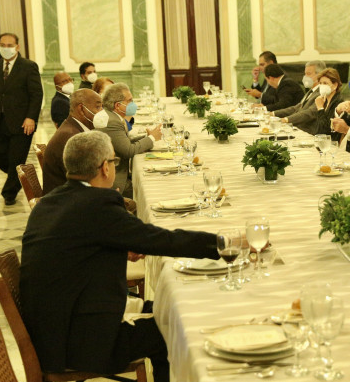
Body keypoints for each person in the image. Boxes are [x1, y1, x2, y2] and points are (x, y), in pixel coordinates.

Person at [21, 131, 222, 381]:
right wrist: (222, 244)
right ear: (105, 168)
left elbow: (75, 250)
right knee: (175, 329)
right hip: (80, 343)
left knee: (169, 307)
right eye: (114, 161)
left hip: (52, 333)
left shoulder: (49, 202)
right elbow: (161, 240)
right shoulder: (97, 204)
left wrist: (116, 247)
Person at [0, 33, 43, 205]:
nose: (6, 48)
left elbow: (36, 94)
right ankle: (17, 176)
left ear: (17, 47)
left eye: (9, 45)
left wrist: (31, 117)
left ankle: (9, 192)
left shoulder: (28, 66)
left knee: (16, 157)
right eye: (3, 45)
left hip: (22, 122)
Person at [98, 83, 161, 197]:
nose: (133, 104)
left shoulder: (113, 116)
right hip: (117, 180)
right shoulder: (112, 121)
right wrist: (151, 138)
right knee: (153, 188)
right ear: (118, 105)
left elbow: (125, 141)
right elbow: (128, 151)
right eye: (130, 101)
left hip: (123, 173)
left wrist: (147, 137)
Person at [42, 89, 102, 195]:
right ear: (81, 109)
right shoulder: (71, 137)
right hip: (64, 199)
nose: (102, 112)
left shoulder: (73, 128)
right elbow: (84, 181)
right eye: (98, 107)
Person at [272, 60, 326, 132]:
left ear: (320, 75)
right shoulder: (310, 91)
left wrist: (286, 120)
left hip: (309, 132)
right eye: (305, 74)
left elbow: (309, 113)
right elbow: (296, 108)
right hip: (298, 128)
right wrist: (273, 113)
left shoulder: (322, 93)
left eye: (308, 74)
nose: (305, 77)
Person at [312, 68, 345, 138]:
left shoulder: (338, 102)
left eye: (325, 83)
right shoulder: (324, 101)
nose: (322, 86)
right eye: (320, 83)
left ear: (335, 85)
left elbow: (325, 130)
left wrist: (320, 108)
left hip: (331, 141)